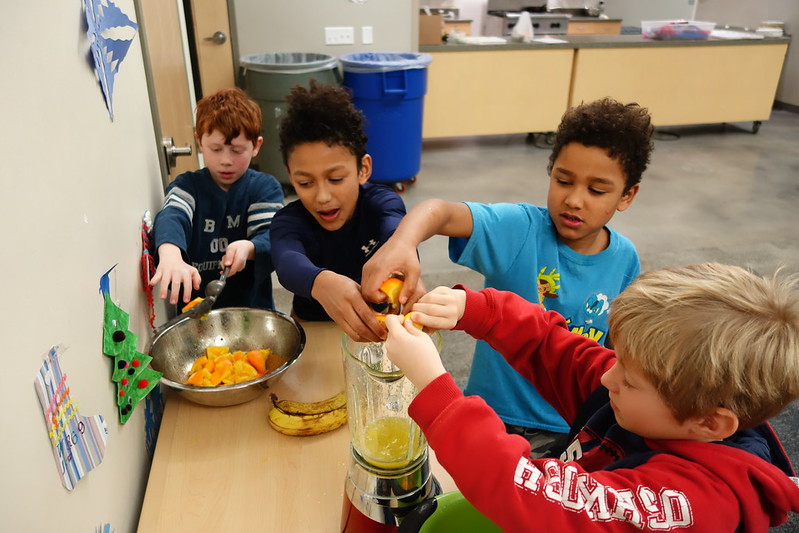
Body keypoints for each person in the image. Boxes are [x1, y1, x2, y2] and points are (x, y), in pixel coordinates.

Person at [383, 263, 799, 532]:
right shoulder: (636, 393)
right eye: (619, 359)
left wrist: (433, 385)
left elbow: (534, 495)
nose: (608, 375)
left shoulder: (693, 503)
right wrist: (475, 309)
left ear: (710, 422)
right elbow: (551, 345)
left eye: (631, 380)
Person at [362, 97, 654, 454]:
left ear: (627, 195)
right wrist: (402, 244)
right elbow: (437, 212)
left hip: (573, 426)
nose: (574, 200)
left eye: (596, 190)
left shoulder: (626, 259)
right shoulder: (520, 230)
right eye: (563, 181)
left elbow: (619, 351)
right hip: (493, 419)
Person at [270, 81, 411, 342]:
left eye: (335, 179)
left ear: (363, 169)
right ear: (290, 175)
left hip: (377, 325)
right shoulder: (288, 222)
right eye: (305, 183)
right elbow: (287, 261)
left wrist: (401, 254)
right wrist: (321, 283)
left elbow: (397, 232)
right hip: (311, 328)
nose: (322, 197)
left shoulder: (381, 203)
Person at [151, 88, 284, 310]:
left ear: (256, 146)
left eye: (237, 150)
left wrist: (248, 247)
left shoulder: (263, 188)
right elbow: (172, 216)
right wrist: (170, 254)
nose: (226, 160)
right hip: (197, 317)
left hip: (252, 311)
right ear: (200, 143)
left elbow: (272, 236)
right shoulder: (187, 186)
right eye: (216, 149)